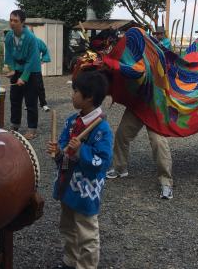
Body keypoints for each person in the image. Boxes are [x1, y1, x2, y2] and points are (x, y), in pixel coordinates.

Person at [46, 70, 113, 269]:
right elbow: (65, 149)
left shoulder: (102, 129)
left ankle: (86, 265)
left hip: (86, 190)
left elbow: (102, 162)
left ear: (89, 97)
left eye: (75, 91)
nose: (71, 95)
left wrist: (81, 150)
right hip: (68, 184)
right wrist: (58, 152)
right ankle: (71, 260)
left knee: (87, 233)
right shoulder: (73, 121)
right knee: (67, 226)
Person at [106, 107, 174, 200]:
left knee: (158, 142)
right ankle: (119, 167)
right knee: (122, 133)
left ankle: (166, 182)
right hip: (139, 103)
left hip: (156, 106)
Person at [4, 9, 41, 140]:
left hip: (32, 69)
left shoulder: (30, 37)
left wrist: (24, 78)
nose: (12, 23)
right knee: (14, 98)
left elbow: (32, 59)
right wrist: (12, 69)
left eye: (16, 21)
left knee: (30, 100)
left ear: (23, 22)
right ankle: (15, 124)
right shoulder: (9, 35)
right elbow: (8, 54)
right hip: (17, 67)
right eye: (11, 20)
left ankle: (32, 129)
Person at [36, 37, 51, 112]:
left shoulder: (38, 41)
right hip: (25, 68)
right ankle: (29, 103)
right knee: (27, 86)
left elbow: (45, 51)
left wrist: (43, 60)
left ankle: (43, 103)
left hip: (36, 68)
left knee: (39, 86)